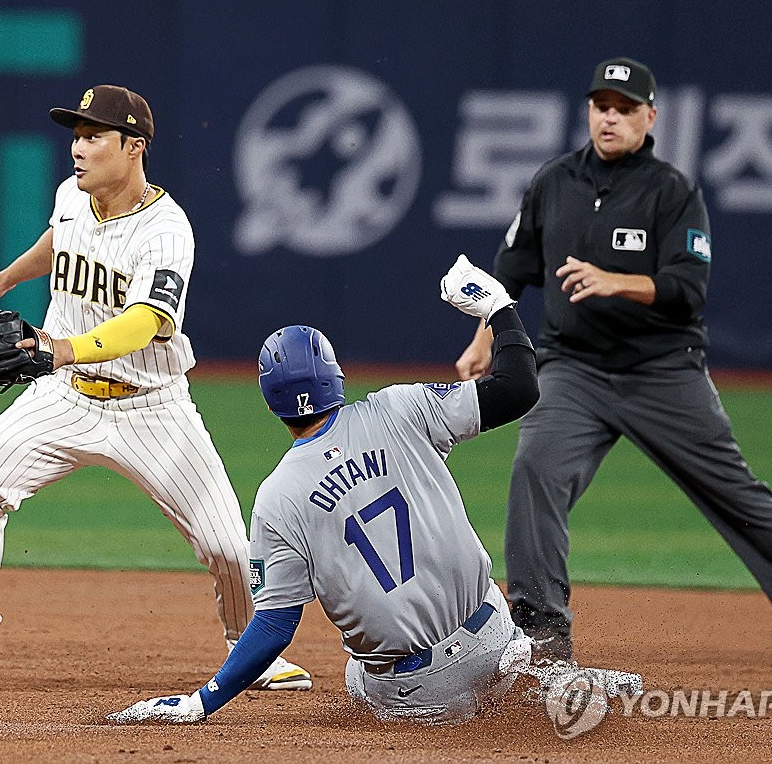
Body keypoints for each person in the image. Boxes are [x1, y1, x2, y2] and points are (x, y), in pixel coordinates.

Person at [455, 57, 772, 674]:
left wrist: (616, 282)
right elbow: (511, 271)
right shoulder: (553, 182)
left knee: (736, 493)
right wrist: (483, 337)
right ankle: (541, 629)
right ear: (588, 111)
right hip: (573, 369)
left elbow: (688, 287)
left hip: (662, 371)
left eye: (625, 108)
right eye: (601, 106)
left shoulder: (671, 191)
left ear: (649, 117)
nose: (610, 118)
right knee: (536, 467)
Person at [0, 84, 311, 691]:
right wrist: (7, 278)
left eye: (94, 137)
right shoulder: (72, 196)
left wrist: (62, 348)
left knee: (225, 547)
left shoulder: (167, 230)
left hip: (151, 407)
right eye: (77, 136)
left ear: (134, 147)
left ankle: (255, 652)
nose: (78, 149)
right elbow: (61, 239)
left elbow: (150, 320)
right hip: (65, 395)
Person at [104, 256, 642, 727]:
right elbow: (521, 388)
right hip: (490, 639)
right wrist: (498, 308)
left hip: (415, 691)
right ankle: (535, 678)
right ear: (335, 376)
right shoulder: (401, 408)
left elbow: (273, 625)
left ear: (272, 402)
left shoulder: (277, 497)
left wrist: (203, 700)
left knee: (356, 676)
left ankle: (477, 693)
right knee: (493, 648)